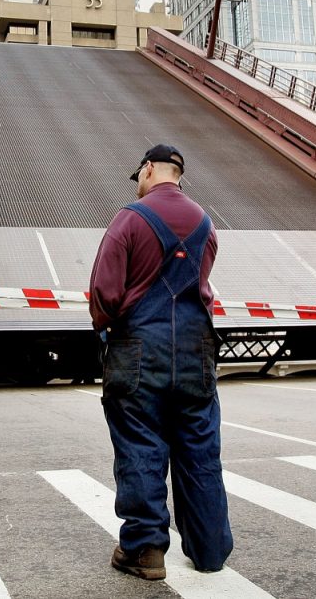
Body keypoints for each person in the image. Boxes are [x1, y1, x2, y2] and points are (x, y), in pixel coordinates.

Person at [88, 143, 233, 581]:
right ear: (179, 175)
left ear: (148, 170)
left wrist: (105, 326)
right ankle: (210, 550)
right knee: (199, 450)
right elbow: (200, 282)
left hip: (139, 350)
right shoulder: (206, 225)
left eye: (139, 176)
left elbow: (104, 293)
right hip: (195, 352)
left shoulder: (129, 219)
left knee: (141, 445)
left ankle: (144, 550)